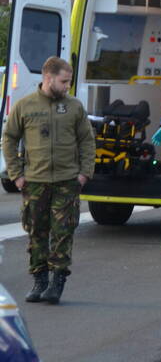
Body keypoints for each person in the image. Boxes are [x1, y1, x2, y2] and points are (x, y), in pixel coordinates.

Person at [2, 57, 95, 304]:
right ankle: (39, 279)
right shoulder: (25, 106)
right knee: (36, 232)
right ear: (48, 78)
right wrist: (16, 175)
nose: (67, 86)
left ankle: (57, 281)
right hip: (34, 181)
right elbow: (9, 139)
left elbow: (87, 140)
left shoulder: (74, 107)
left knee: (63, 232)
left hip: (67, 181)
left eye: (69, 81)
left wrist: (84, 173)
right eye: (64, 81)